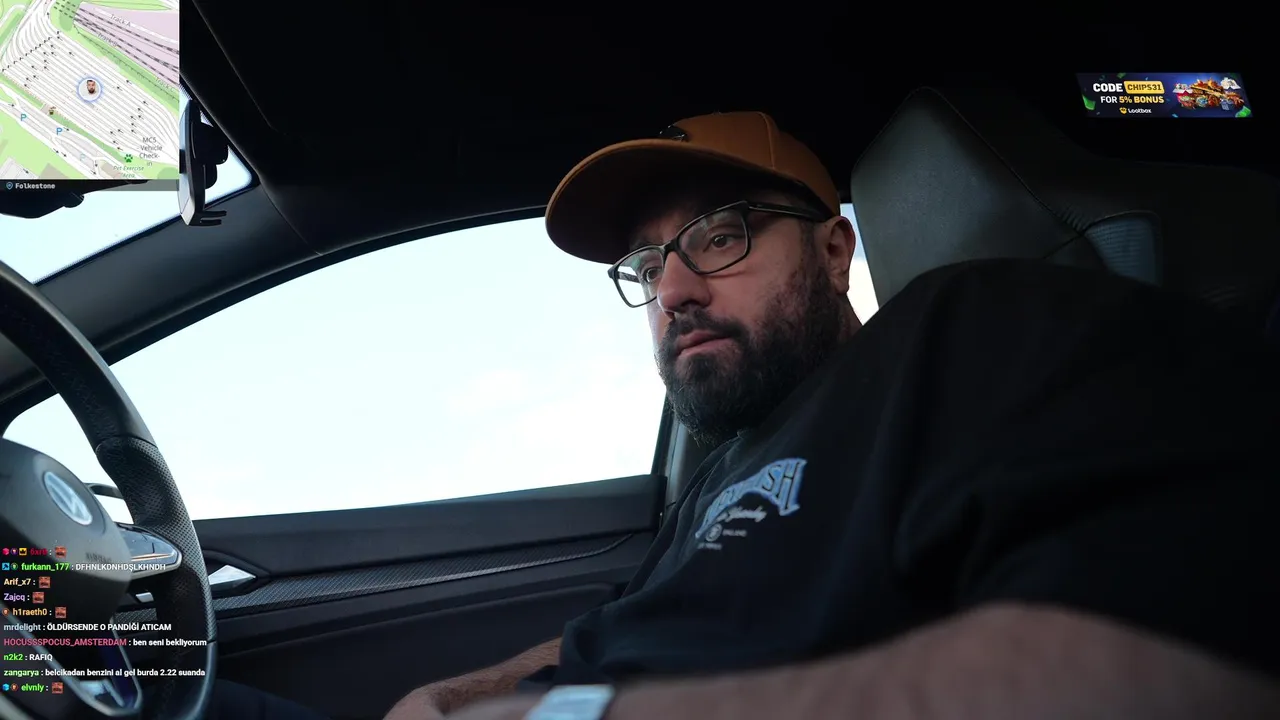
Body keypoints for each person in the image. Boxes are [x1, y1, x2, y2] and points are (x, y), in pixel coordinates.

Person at [216, 112, 1280, 719]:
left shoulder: (971, 333)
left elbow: (1179, 649)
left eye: (719, 235)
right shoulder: (716, 469)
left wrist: (575, 716)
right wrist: (464, 693)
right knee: (146, 670)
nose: (673, 290)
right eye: (648, 265)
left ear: (834, 250)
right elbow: (622, 631)